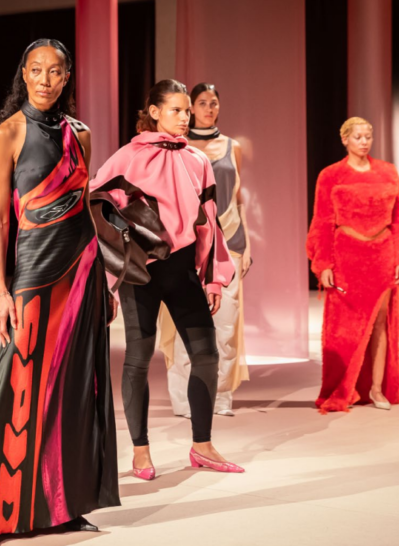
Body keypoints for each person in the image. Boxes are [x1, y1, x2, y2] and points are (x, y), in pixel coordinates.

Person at [0, 39, 120, 546]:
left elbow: (84, 208)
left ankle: (63, 504)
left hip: (83, 270)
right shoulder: (8, 133)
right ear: (23, 75)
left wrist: (106, 279)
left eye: (55, 71)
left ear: (67, 77)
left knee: (74, 387)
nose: (45, 80)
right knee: (18, 383)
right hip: (33, 273)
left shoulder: (81, 134)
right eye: (36, 70)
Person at [91, 79, 242, 482]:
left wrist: (213, 278)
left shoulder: (197, 159)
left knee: (207, 355)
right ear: (155, 112)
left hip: (183, 270)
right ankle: (141, 451)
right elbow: (96, 205)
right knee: (138, 359)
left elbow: (208, 223)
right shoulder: (127, 156)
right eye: (176, 110)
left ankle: (202, 446)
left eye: (187, 111)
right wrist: (115, 262)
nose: (184, 117)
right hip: (141, 272)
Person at [306, 117, 399, 413]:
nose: (364, 142)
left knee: (380, 323)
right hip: (347, 256)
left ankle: (376, 389)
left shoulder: (387, 172)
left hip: (382, 254)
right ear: (345, 139)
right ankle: (344, 387)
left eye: (368, 136)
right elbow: (322, 221)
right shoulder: (331, 175)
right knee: (345, 327)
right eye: (358, 137)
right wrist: (324, 263)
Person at [159, 82, 251, 417]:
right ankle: (184, 398)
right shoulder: (174, 146)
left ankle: (220, 396)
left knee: (225, 326)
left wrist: (247, 244)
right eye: (201, 103)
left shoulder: (232, 147)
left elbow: (238, 197)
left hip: (230, 242)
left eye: (214, 102)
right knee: (183, 325)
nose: (208, 108)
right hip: (186, 244)